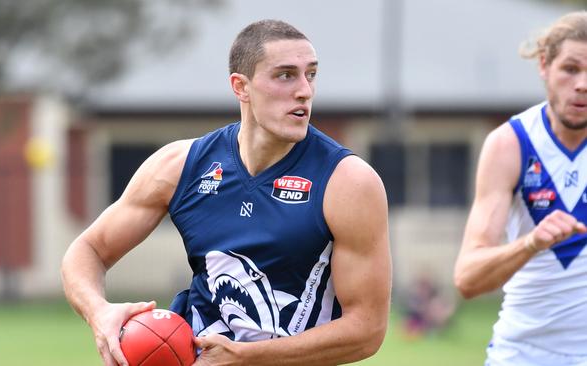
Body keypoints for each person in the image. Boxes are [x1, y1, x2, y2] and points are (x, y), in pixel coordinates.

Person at [61, 19, 391, 366]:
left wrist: (249, 357)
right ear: (241, 87)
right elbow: (88, 250)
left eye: (310, 74)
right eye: (285, 75)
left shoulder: (348, 182)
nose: (304, 91)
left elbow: (366, 329)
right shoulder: (179, 166)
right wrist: (99, 314)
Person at [454, 11, 587, 366]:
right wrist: (531, 243)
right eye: (571, 69)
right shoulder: (510, 144)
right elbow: (468, 278)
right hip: (523, 355)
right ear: (544, 65)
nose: (582, 84)